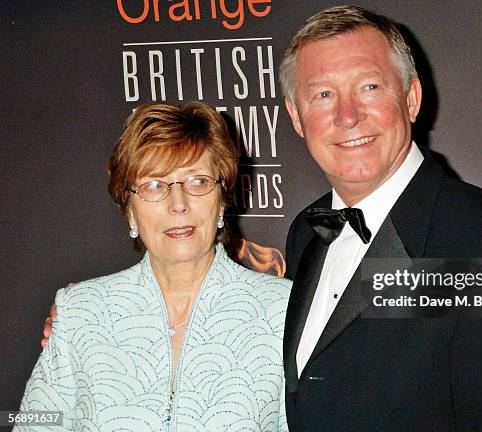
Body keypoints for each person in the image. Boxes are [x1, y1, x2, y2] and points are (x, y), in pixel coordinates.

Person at [277, 5, 482, 432]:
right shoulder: (304, 235)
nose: (347, 116)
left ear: (411, 99)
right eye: (323, 95)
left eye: (369, 86)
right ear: (296, 116)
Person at [21, 102, 289, 431]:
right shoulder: (80, 311)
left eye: (198, 182)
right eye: (154, 186)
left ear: (222, 200)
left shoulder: (284, 311)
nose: (178, 204)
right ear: (130, 211)